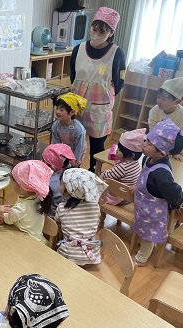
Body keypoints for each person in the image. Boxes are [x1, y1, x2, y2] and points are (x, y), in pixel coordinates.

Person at [70, 6, 126, 173]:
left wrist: (102, 99)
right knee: (75, 141)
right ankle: (72, 172)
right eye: (94, 29)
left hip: (99, 108)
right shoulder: (78, 49)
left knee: (97, 145)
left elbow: (119, 83)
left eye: (102, 32)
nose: (96, 34)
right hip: (77, 104)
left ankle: (94, 174)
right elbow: (73, 75)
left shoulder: (117, 54)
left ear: (110, 33)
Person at [133, 119, 183, 266]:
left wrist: (178, 202)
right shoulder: (148, 158)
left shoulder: (162, 174)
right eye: (147, 140)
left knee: (148, 236)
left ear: (162, 153)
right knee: (144, 231)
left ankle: (141, 259)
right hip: (143, 205)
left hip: (153, 210)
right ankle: (147, 249)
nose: (144, 144)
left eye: (149, 144)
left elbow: (173, 191)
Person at [55, 168, 108, 267]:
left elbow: (57, 221)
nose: (59, 185)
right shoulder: (95, 206)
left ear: (69, 190)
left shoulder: (62, 207)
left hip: (68, 256)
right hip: (92, 256)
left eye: (61, 183)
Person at [0, 160, 54, 243]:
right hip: (38, 240)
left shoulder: (22, 208)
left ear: (21, 187)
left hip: (26, 244)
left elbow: (3, 220)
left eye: (14, 182)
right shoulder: (40, 197)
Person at [148, 77, 183, 161]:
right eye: (158, 97)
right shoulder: (154, 111)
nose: (159, 101)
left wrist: (175, 152)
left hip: (179, 153)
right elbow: (152, 133)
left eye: (164, 99)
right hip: (158, 149)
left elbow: (181, 139)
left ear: (177, 102)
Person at [100, 128, 145, 205]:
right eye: (118, 148)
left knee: (100, 177)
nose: (117, 151)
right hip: (128, 197)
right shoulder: (136, 163)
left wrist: (101, 174)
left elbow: (106, 176)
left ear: (131, 156)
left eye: (120, 150)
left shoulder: (123, 167)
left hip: (119, 197)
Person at [51, 92, 88, 166]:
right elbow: (57, 144)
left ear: (72, 112)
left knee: (73, 168)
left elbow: (79, 147)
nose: (57, 111)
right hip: (66, 148)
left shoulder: (79, 129)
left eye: (61, 110)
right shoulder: (55, 125)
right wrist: (58, 155)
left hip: (78, 149)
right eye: (57, 108)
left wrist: (75, 160)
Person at [42, 143, 77, 217]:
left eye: (43, 160)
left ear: (52, 166)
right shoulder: (70, 175)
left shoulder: (49, 181)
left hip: (51, 216)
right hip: (68, 214)